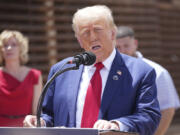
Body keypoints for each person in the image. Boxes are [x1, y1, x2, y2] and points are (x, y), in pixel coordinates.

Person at [23, 5, 161, 135]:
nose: (93, 37)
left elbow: (149, 116)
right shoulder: (62, 70)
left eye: (98, 30)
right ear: (79, 40)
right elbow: (49, 114)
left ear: (113, 33)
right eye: (86, 32)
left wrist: (117, 125)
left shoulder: (141, 71)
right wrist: (41, 122)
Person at [116, 26, 180, 135]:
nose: (122, 51)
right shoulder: (109, 71)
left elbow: (168, 109)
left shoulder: (157, 71)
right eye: (117, 47)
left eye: (126, 46)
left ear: (135, 43)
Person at [0, 30, 43, 127]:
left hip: (26, 128)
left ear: (21, 48)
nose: (9, 48)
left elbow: (36, 111)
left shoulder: (34, 75)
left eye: (14, 45)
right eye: (5, 45)